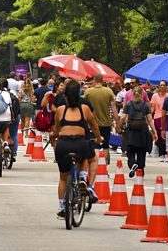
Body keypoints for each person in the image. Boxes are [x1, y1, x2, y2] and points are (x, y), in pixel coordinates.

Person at [50, 80, 102, 217]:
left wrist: (53, 136)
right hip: (80, 143)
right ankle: (83, 178)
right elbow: (94, 126)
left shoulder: (61, 110)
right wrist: (99, 138)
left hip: (63, 144)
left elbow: (57, 129)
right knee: (88, 155)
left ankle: (62, 206)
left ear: (65, 97)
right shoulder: (84, 109)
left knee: (62, 178)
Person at [119, 86, 156, 173]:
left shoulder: (128, 104)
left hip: (131, 129)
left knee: (130, 150)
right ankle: (140, 169)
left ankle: (132, 164)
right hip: (142, 131)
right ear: (142, 93)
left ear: (132, 93)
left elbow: (123, 117)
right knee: (141, 151)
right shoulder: (145, 105)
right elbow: (150, 119)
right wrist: (154, 131)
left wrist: (118, 126)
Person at [84, 74, 118, 162]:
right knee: (106, 145)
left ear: (94, 80)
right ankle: (104, 167)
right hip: (106, 123)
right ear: (102, 81)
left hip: (91, 123)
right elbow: (114, 109)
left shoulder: (88, 92)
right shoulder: (109, 91)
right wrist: (117, 123)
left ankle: (95, 165)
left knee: (95, 145)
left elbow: (84, 106)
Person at [150, 80, 168, 158]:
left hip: (167, 117)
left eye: (164, 85)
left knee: (166, 135)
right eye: (160, 85)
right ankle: (161, 153)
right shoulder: (155, 96)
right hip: (157, 117)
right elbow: (152, 109)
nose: (162, 86)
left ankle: (166, 153)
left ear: (166, 86)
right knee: (159, 135)